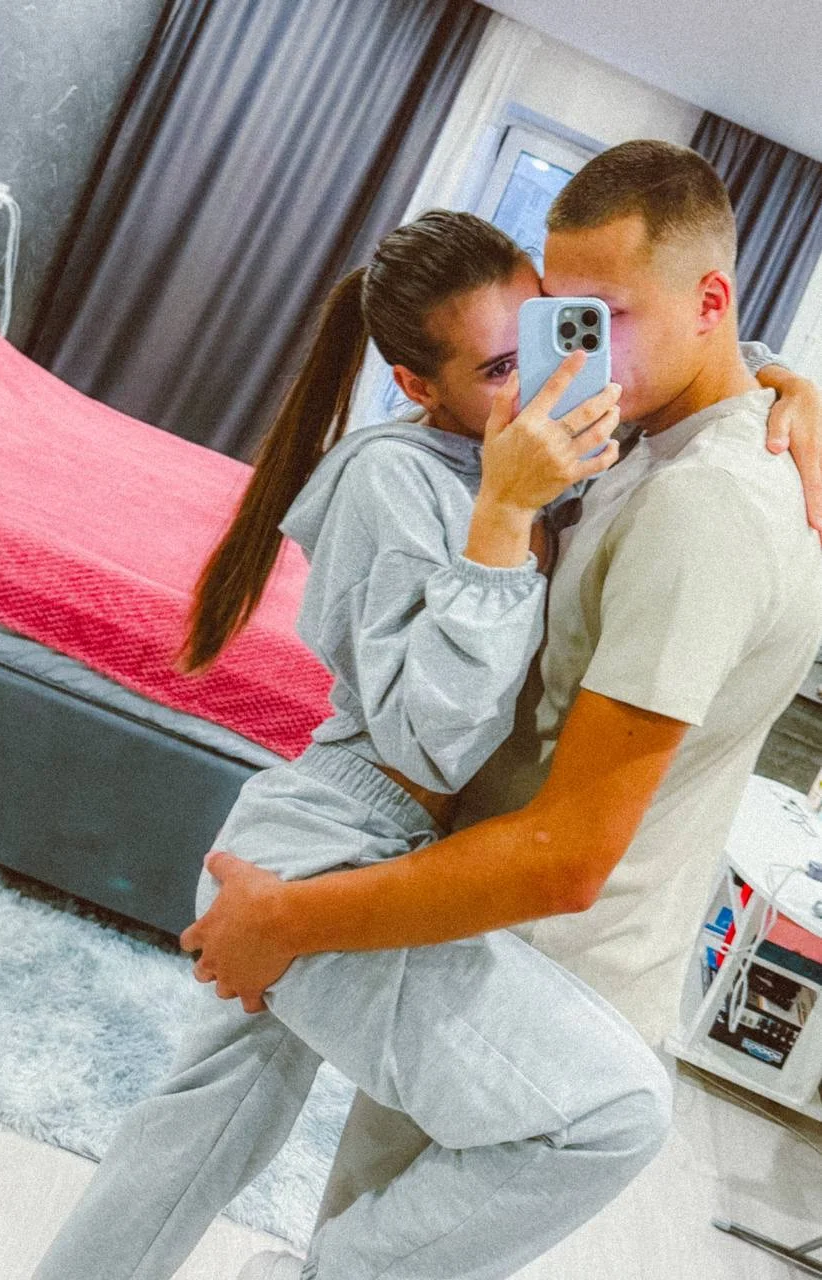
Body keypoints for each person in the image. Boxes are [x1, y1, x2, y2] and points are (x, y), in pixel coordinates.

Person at [187, 141, 822, 1278]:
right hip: (482, 928)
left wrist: (289, 920)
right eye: (557, 320)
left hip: (538, 959)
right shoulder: (645, 437)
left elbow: (567, 854)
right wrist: (786, 376)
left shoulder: (705, 506)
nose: (571, 358)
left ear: (709, 301)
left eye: (604, 318)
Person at [33, 211, 678, 1280]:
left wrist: (780, 386)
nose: (534, 384)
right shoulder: (397, 474)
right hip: (333, 841)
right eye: (497, 368)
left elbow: (693, 352)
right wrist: (502, 518)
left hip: (347, 836)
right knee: (608, 1113)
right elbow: (434, 740)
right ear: (417, 384)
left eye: (546, 336)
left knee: (191, 1136)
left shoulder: (538, 449)